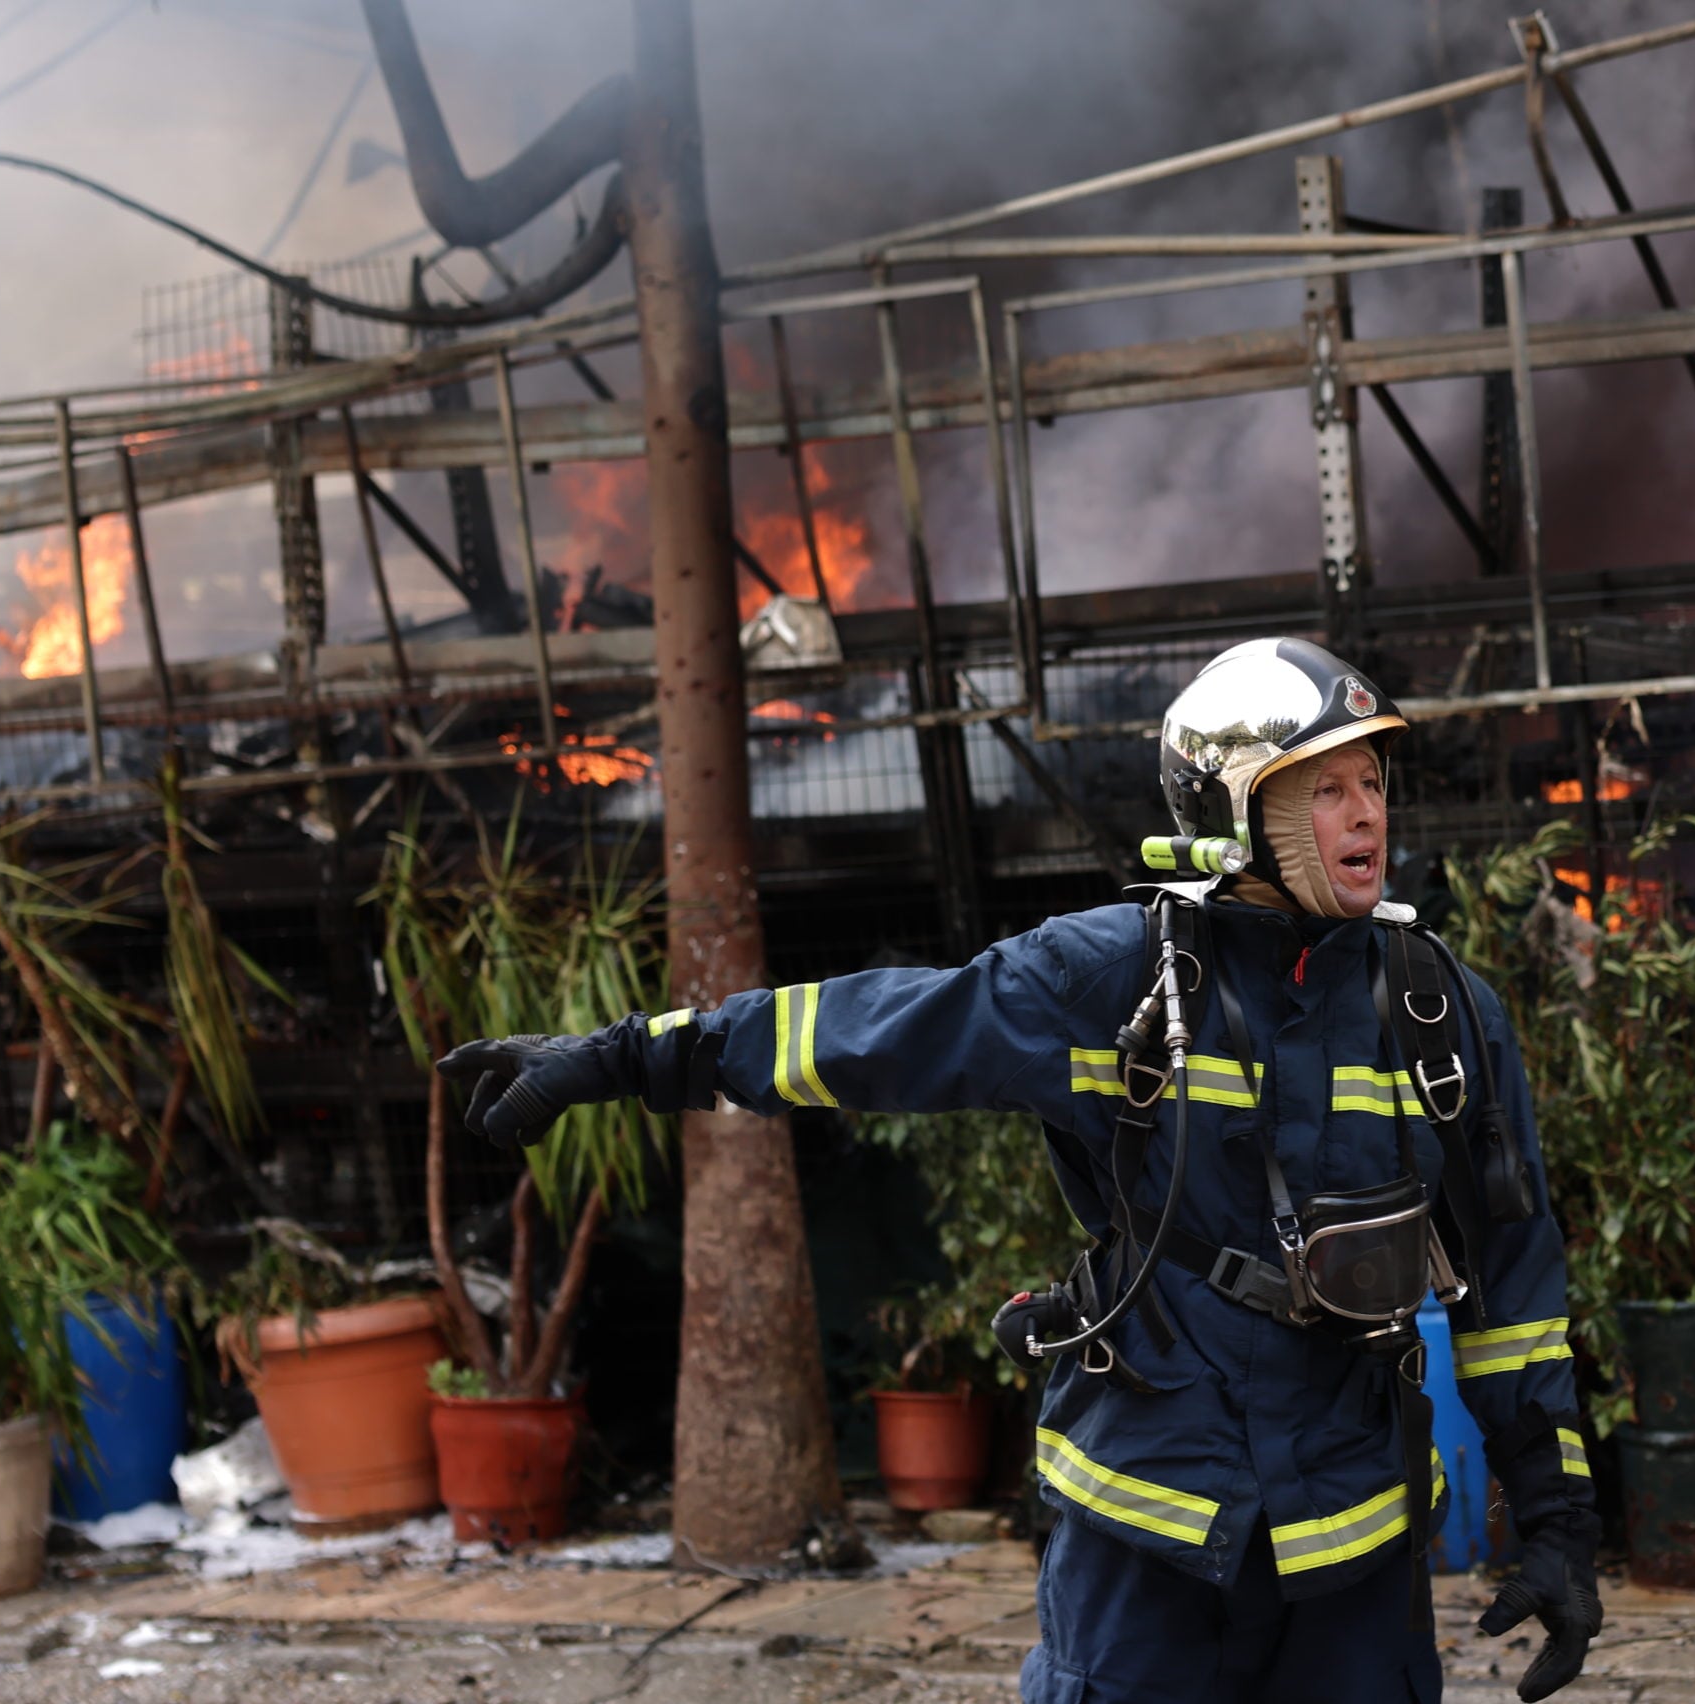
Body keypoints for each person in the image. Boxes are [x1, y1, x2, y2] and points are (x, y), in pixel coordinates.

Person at [439, 638, 1602, 1704]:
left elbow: (1512, 1289)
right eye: (1327, 788)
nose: (1367, 817)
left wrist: (1555, 1521)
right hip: (1150, 1541)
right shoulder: (1114, 980)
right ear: (1235, 810)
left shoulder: (1438, 1012)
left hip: (1354, 1554)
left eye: (1374, 784)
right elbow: (877, 1030)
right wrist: (624, 1059)